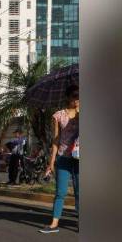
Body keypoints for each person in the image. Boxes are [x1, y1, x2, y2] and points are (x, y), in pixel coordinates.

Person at [40, 84, 79, 234]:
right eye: (74, 96)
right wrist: (51, 161)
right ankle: (54, 223)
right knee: (60, 192)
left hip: (80, 158)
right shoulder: (58, 115)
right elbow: (56, 140)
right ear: (68, 97)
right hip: (63, 157)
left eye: (79, 96)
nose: (77, 99)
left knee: (80, 192)